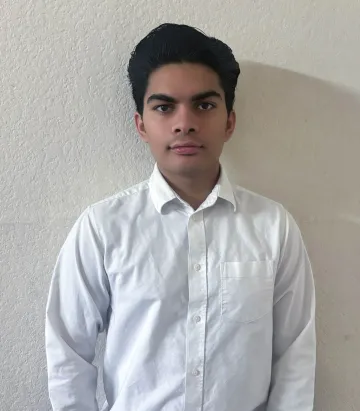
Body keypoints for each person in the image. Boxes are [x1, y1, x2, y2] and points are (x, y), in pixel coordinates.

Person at [45, 23, 316, 411]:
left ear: (229, 121)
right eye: (164, 107)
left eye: (204, 105)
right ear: (141, 124)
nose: (184, 122)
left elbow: (295, 357)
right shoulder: (103, 228)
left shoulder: (273, 228)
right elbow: (67, 352)